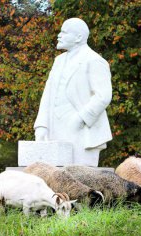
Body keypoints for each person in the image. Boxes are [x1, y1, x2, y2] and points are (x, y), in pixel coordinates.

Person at [34, 18, 112, 166]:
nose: (59, 35)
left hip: (82, 132)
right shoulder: (58, 61)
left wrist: (81, 118)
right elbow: (48, 94)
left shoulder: (94, 61)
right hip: (54, 131)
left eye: (64, 32)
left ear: (78, 37)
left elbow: (103, 96)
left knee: (80, 178)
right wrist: (42, 125)